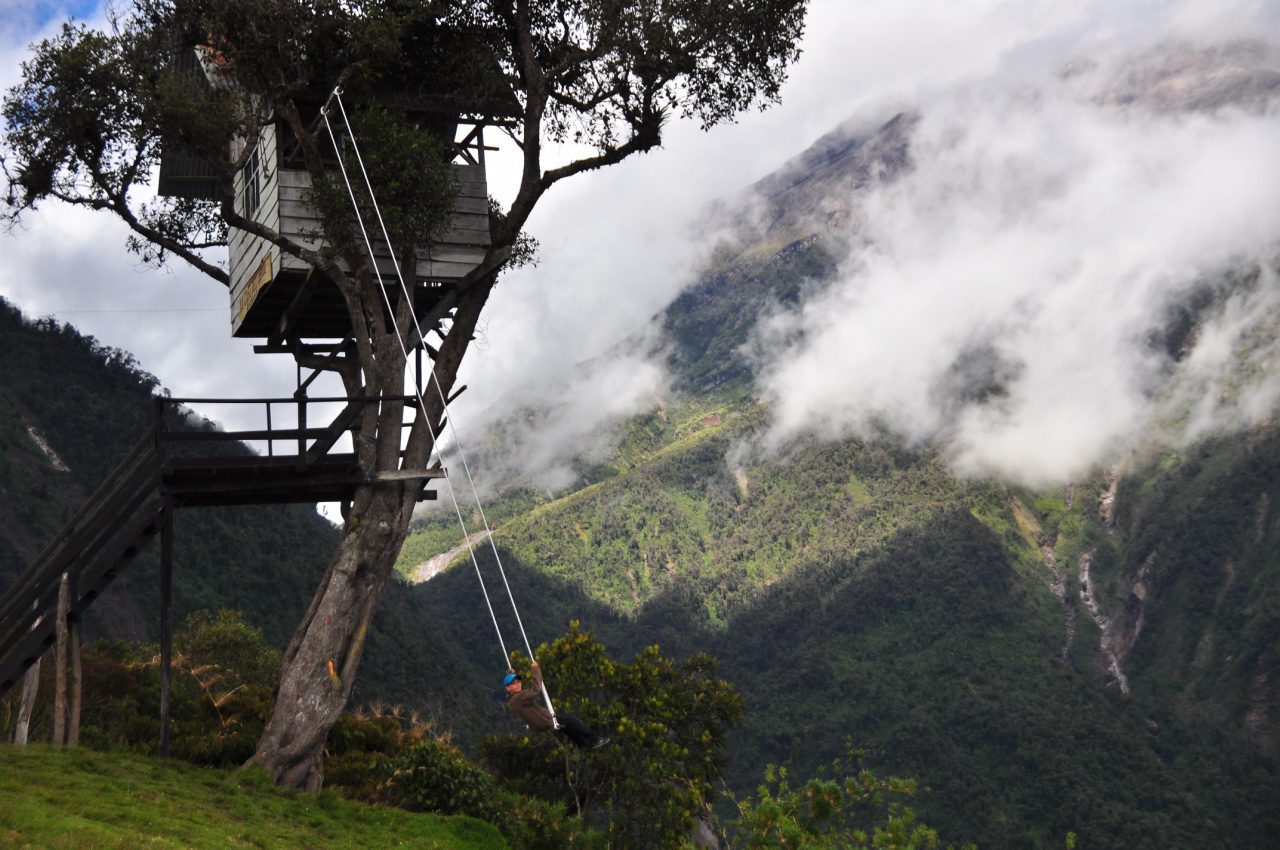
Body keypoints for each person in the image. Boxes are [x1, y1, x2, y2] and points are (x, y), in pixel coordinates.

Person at [504, 660, 609, 750]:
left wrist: (510, 673)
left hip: (540, 723)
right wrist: (535, 669)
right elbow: (536, 689)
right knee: (572, 720)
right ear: (508, 688)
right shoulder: (519, 697)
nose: (518, 684)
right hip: (545, 722)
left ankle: (582, 743)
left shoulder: (513, 699)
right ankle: (595, 740)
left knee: (567, 727)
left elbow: (523, 692)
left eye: (518, 681)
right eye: (514, 683)